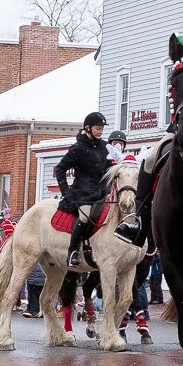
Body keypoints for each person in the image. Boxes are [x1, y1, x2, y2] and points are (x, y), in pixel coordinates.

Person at [56, 112, 116, 262]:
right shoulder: (78, 148)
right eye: (97, 128)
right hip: (83, 194)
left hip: (103, 192)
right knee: (85, 216)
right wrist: (66, 192)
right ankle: (73, 251)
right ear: (88, 128)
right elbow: (60, 169)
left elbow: (109, 169)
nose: (100, 132)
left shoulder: (104, 147)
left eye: (102, 129)